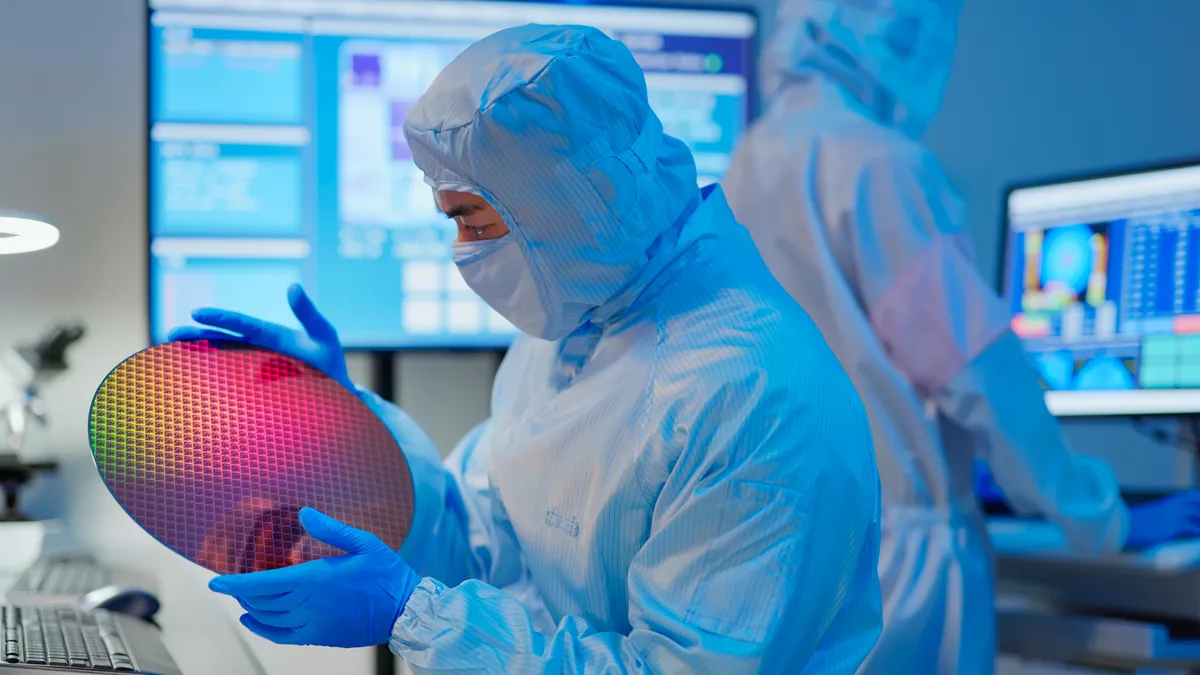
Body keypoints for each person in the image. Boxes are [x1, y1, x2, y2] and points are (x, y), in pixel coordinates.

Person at [169, 24, 885, 673]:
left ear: (565, 200)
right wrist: (352, 427)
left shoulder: (753, 395)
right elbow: (481, 543)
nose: (463, 252)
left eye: (472, 220)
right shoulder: (578, 323)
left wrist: (411, 614)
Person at [722, 1, 1200, 673]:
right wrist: (1101, 518)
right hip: (898, 564)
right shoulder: (878, 164)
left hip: (785, 548)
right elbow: (977, 371)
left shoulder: (751, 158)